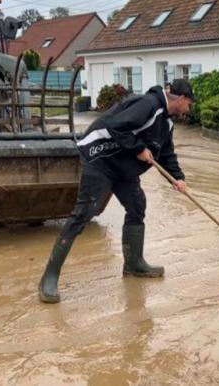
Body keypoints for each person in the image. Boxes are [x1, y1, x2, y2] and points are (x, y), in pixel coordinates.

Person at [38, 79, 196, 303]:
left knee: (137, 206)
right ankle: (49, 277)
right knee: (84, 213)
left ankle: (134, 264)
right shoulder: (149, 104)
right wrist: (138, 148)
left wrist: (178, 179)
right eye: (189, 104)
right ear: (181, 99)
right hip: (100, 159)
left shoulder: (167, 123)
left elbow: (166, 154)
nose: (189, 109)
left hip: (123, 164)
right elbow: (116, 125)